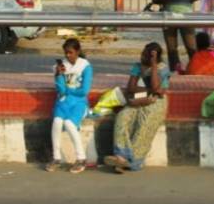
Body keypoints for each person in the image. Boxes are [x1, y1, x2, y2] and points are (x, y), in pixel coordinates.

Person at [104, 42, 170, 174]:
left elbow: (157, 88)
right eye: (143, 53)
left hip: (157, 102)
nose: (142, 57)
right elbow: (131, 88)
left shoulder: (163, 68)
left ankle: (132, 161)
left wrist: (153, 66)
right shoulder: (137, 66)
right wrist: (147, 92)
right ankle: (121, 156)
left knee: (144, 126)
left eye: (146, 55)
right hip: (142, 97)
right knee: (123, 117)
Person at [45, 38, 93, 174]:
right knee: (57, 121)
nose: (67, 56)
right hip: (63, 102)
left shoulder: (86, 66)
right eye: (66, 53)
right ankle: (56, 158)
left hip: (80, 103)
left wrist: (68, 90)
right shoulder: (61, 66)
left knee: (69, 123)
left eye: (71, 53)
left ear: (77, 52)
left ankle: (81, 158)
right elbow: (60, 90)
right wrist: (58, 75)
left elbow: (84, 91)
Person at [154, 0, 201, 73]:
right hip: (168, 16)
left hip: (186, 16)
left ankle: (195, 70)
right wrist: (162, 0)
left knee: (191, 47)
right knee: (172, 48)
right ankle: (175, 72)